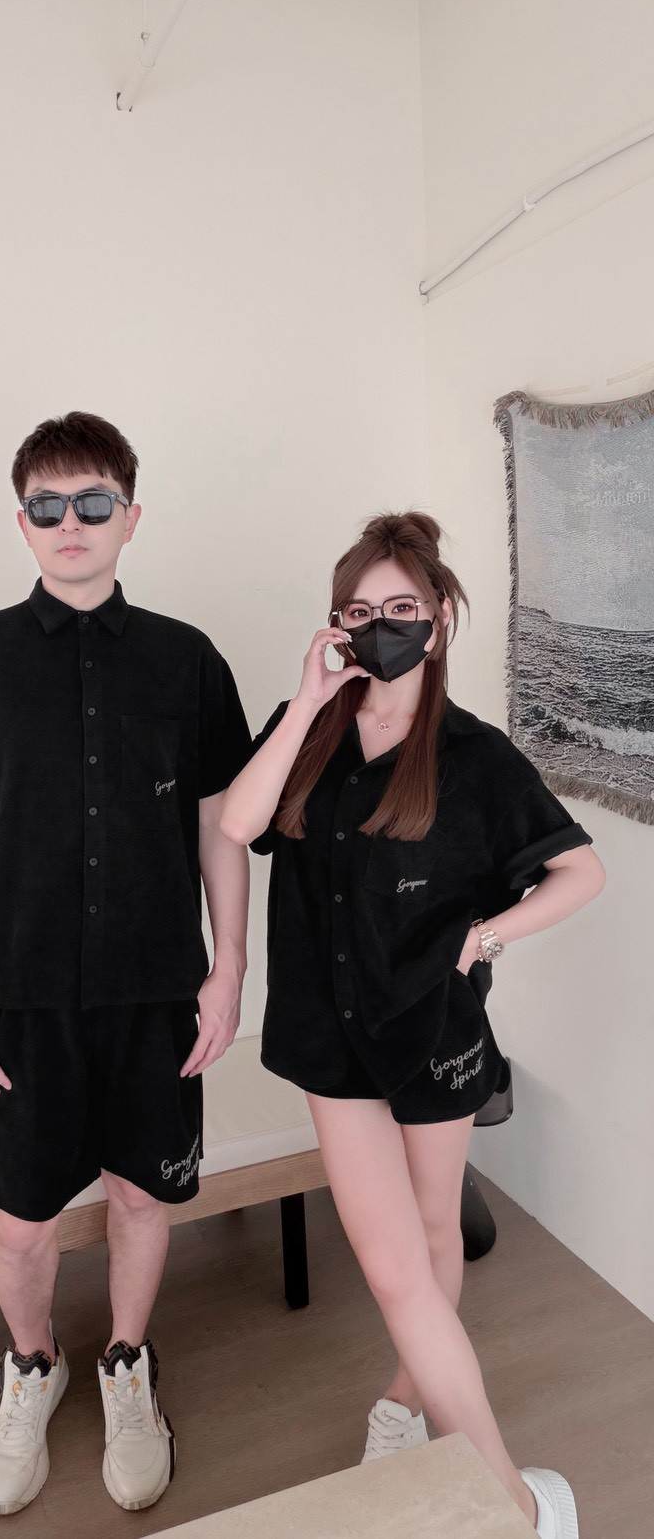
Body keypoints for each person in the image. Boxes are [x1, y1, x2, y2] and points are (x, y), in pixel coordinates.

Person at [0, 412, 252, 1516]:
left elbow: (219, 829)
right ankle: (33, 1365)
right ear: (22, 522)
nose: (70, 522)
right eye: (46, 505)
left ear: (131, 516)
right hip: (17, 999)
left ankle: (128, 1364)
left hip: (156, 988)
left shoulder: (188, 660)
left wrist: (230, 968)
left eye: (94, 501)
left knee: (143, 1195)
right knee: (22, 1220)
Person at [219, 510, 604, 1539]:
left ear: (438, 619)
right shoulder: (308, 728)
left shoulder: (475, 757)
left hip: (435, 1029)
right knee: (395, 1267)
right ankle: (521, 1499)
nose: (381, 627)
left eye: (401, 608)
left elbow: (580, 872)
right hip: (329, 1033)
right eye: (359, 611)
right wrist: (309, 699)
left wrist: (485, 934)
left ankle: (404, 1402)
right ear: (336, 624)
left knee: (432, 1237)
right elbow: (237, 822)